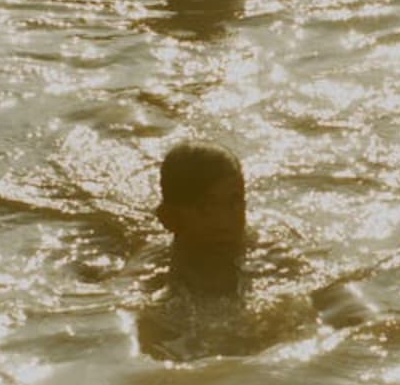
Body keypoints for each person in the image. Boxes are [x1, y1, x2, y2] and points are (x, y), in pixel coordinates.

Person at [138, 140, 378, 360]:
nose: (225, 221)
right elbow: (123, 309)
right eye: (206, 208)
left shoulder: (265, 251)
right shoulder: (157, 262)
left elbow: (331, 296)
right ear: (168, 218)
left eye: (234, 203)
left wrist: (370, 326)